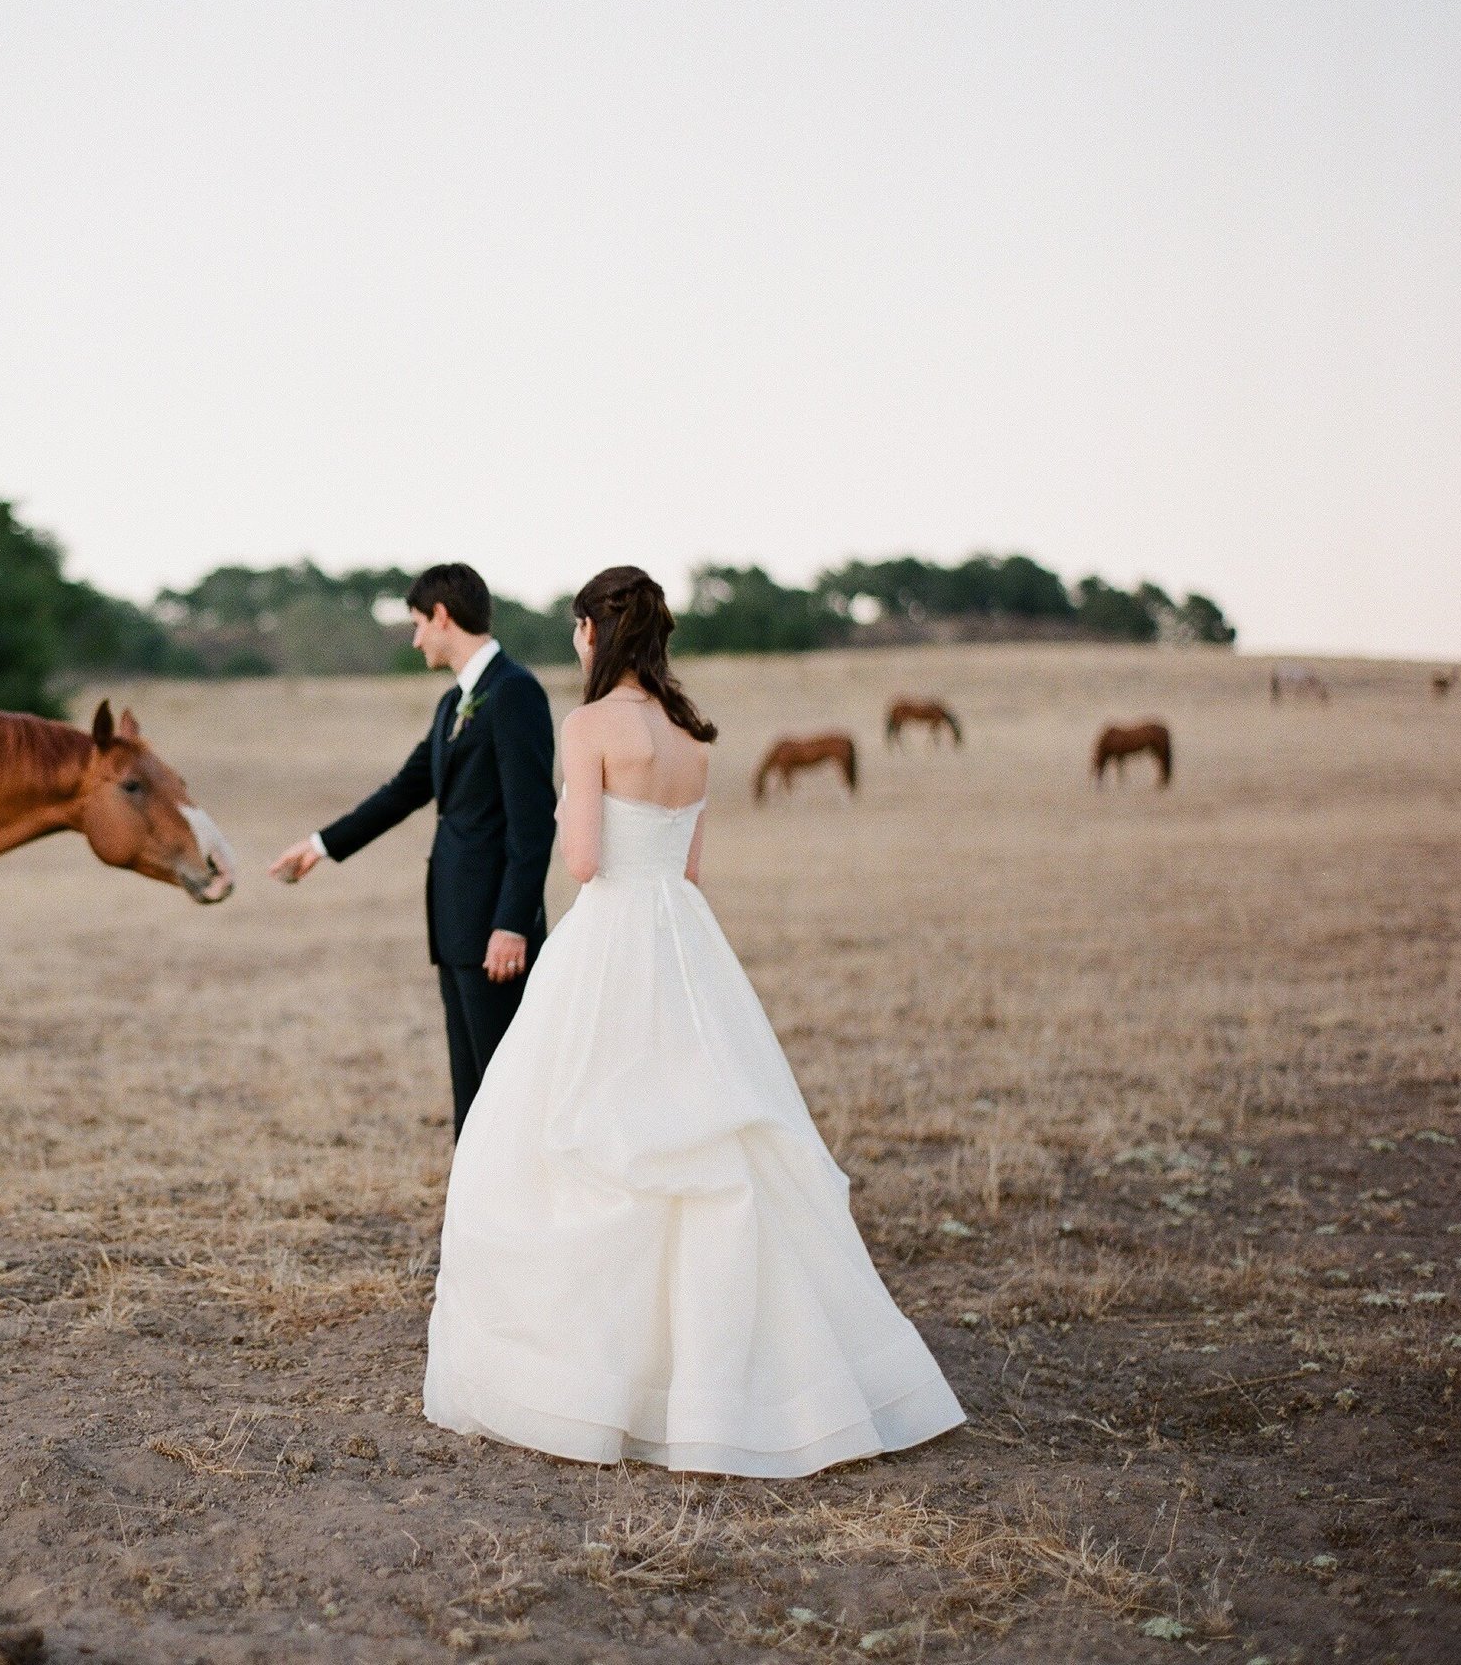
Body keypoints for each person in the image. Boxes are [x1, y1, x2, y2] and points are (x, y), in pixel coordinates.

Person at [422, 565, 964, 1475]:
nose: (574, 643)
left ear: (597, 631)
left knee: (580, 1132)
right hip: (685, 941)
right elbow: (691, 871)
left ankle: (601, 1375)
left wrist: (568, 811)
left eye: (577, 629)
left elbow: (585, 859)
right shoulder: (693, 735)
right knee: (707, 1137)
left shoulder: (589, 725)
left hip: (612, 936)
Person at [268, 563, 556, 1136]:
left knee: (508, 1087)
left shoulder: (514, 692)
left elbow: (533, 824)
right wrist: (321, 845)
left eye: (419, 623)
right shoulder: (454, 704)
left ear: (444, 617)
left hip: (496, 935)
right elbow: (404, 790)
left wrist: (512, 924)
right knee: (471, 1092)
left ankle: (521, 1217)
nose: (416, 636)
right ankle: (476, 1216)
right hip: (453, 924)